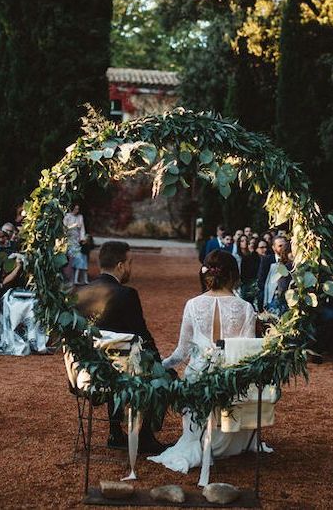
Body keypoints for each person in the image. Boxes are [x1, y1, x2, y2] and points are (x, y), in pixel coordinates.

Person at [149, 250, 262, 477]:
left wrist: (159, 365)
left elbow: (181, 352)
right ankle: (232, 441)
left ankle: (198, 438)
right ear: (234, 276)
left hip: (198, 379)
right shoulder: (246, 307)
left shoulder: (192, 304)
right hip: (232, 382)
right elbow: (248, 353)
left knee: (193, 378)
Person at [75, 241, 165, 454]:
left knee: (112, 361)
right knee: (157, 374)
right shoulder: (126, 294)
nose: (130, 268)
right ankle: (145, 437)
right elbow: (143, 336)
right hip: (122, 375)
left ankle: (116, 432)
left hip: (88, 373)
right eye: (130, 262)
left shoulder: (80, 293)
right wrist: (160, 363)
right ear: (120, 265)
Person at [256, 235, 287, 311]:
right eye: (280, 246)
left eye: (285, 245)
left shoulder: (290, 260)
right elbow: (261, 280)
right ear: (273, 248)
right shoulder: (266, 260)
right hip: (269, 293)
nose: (283, 248)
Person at [63, 204, 88, 285]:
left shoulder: (80, 217)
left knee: (78, 259)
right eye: (75, 209)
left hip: (76, 241)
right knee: (70, 259)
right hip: (69, 240)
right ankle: (69, 278)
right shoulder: (67, 216)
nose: (77, 211)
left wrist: (82, 239)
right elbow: (64, 227)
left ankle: (76, 279)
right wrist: (72, 226)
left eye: (78, 209)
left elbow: (82, 229)